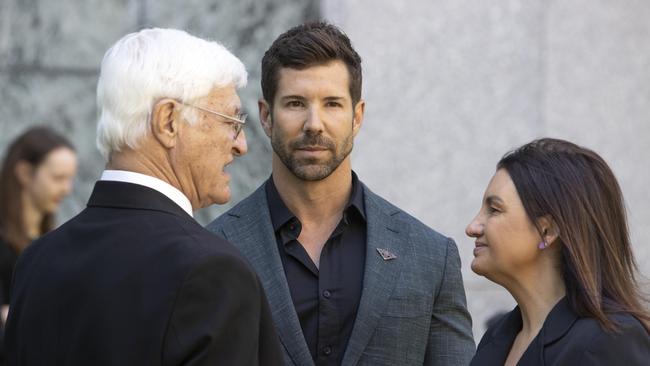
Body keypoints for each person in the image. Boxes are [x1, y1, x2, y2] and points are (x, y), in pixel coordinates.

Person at [5, 28, 282, 365]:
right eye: (231, 121)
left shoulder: (37, 260)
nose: (241, 145)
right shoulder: (211, 272)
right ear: (168, 121)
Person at [208, 22, 474, 366]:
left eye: (332, 104)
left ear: (357, 116)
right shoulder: (214, 250)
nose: (314, 123)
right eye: (295, 103)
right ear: (266, 116)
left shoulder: (430, 257)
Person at [466, 138, 650, 365]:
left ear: (547, 231)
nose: (472, 227)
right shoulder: (497, 337)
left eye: (494, 210)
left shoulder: (609, 342)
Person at [0, 126, 77, 322]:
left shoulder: (51, 242)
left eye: (69, 179)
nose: (66, 189)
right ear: (25, 173)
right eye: (58, 178)